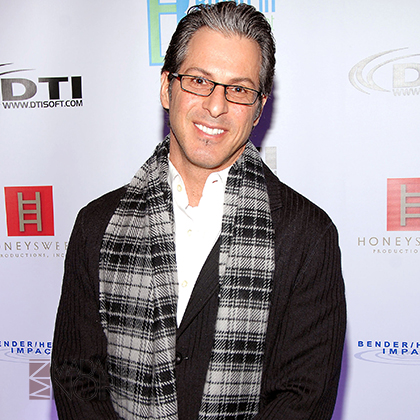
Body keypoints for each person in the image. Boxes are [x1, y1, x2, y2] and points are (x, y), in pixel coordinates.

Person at [51, 2, 346, 420]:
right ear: (166, 88)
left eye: (238, 90)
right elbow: (76, 376)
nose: (216, 106)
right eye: (199, 81)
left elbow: (304, 396)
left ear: (259, 108)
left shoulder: (308, 234)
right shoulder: (96, 224)